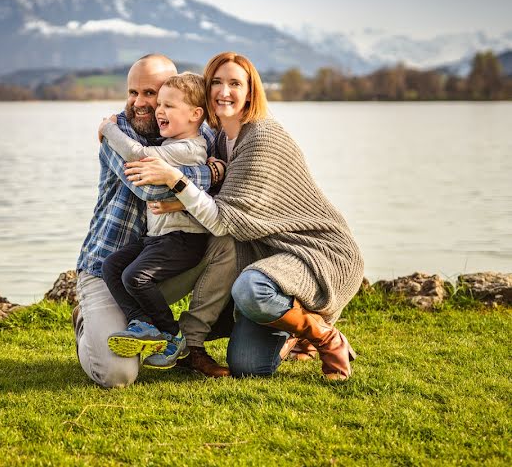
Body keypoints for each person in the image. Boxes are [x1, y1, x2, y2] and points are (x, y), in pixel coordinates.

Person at [124, 51, 365, 380]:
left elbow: (224, 218)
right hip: (264, 256)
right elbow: (232, 203)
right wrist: (179, 200)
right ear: (206, 91)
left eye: (235, 83)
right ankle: (291, 331)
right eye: (217, 83)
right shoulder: (221, 137)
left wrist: (172, 179)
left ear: (251, 91)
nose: (225, 92)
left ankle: (324, 336)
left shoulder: (262, 137)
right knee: (249, 368)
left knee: (251, 290)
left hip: (313, 252)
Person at [75, 54, 238, 388]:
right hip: (107, 269)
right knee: (118, 375)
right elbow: (151, 189)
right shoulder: (117, 132)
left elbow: (219, 177)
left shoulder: (198, 131)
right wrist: (211, 172)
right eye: (133, 92)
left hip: (162, 255)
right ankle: (88, 321)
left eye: (151, 94)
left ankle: (188, 344)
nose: (140, 103)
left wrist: (212, 171)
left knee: (228, 242)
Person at [98, 73, 210, 369]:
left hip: (184, 239)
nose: (159, 110)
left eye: (168, 106)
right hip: (159, 238)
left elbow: (140, 154)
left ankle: (173, 335)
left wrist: (108, 128)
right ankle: (142, 323)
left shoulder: (189, 148)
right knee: (112, 266)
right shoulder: (172, 141)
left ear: (195, 115)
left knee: (135, 276)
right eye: (159, 103)